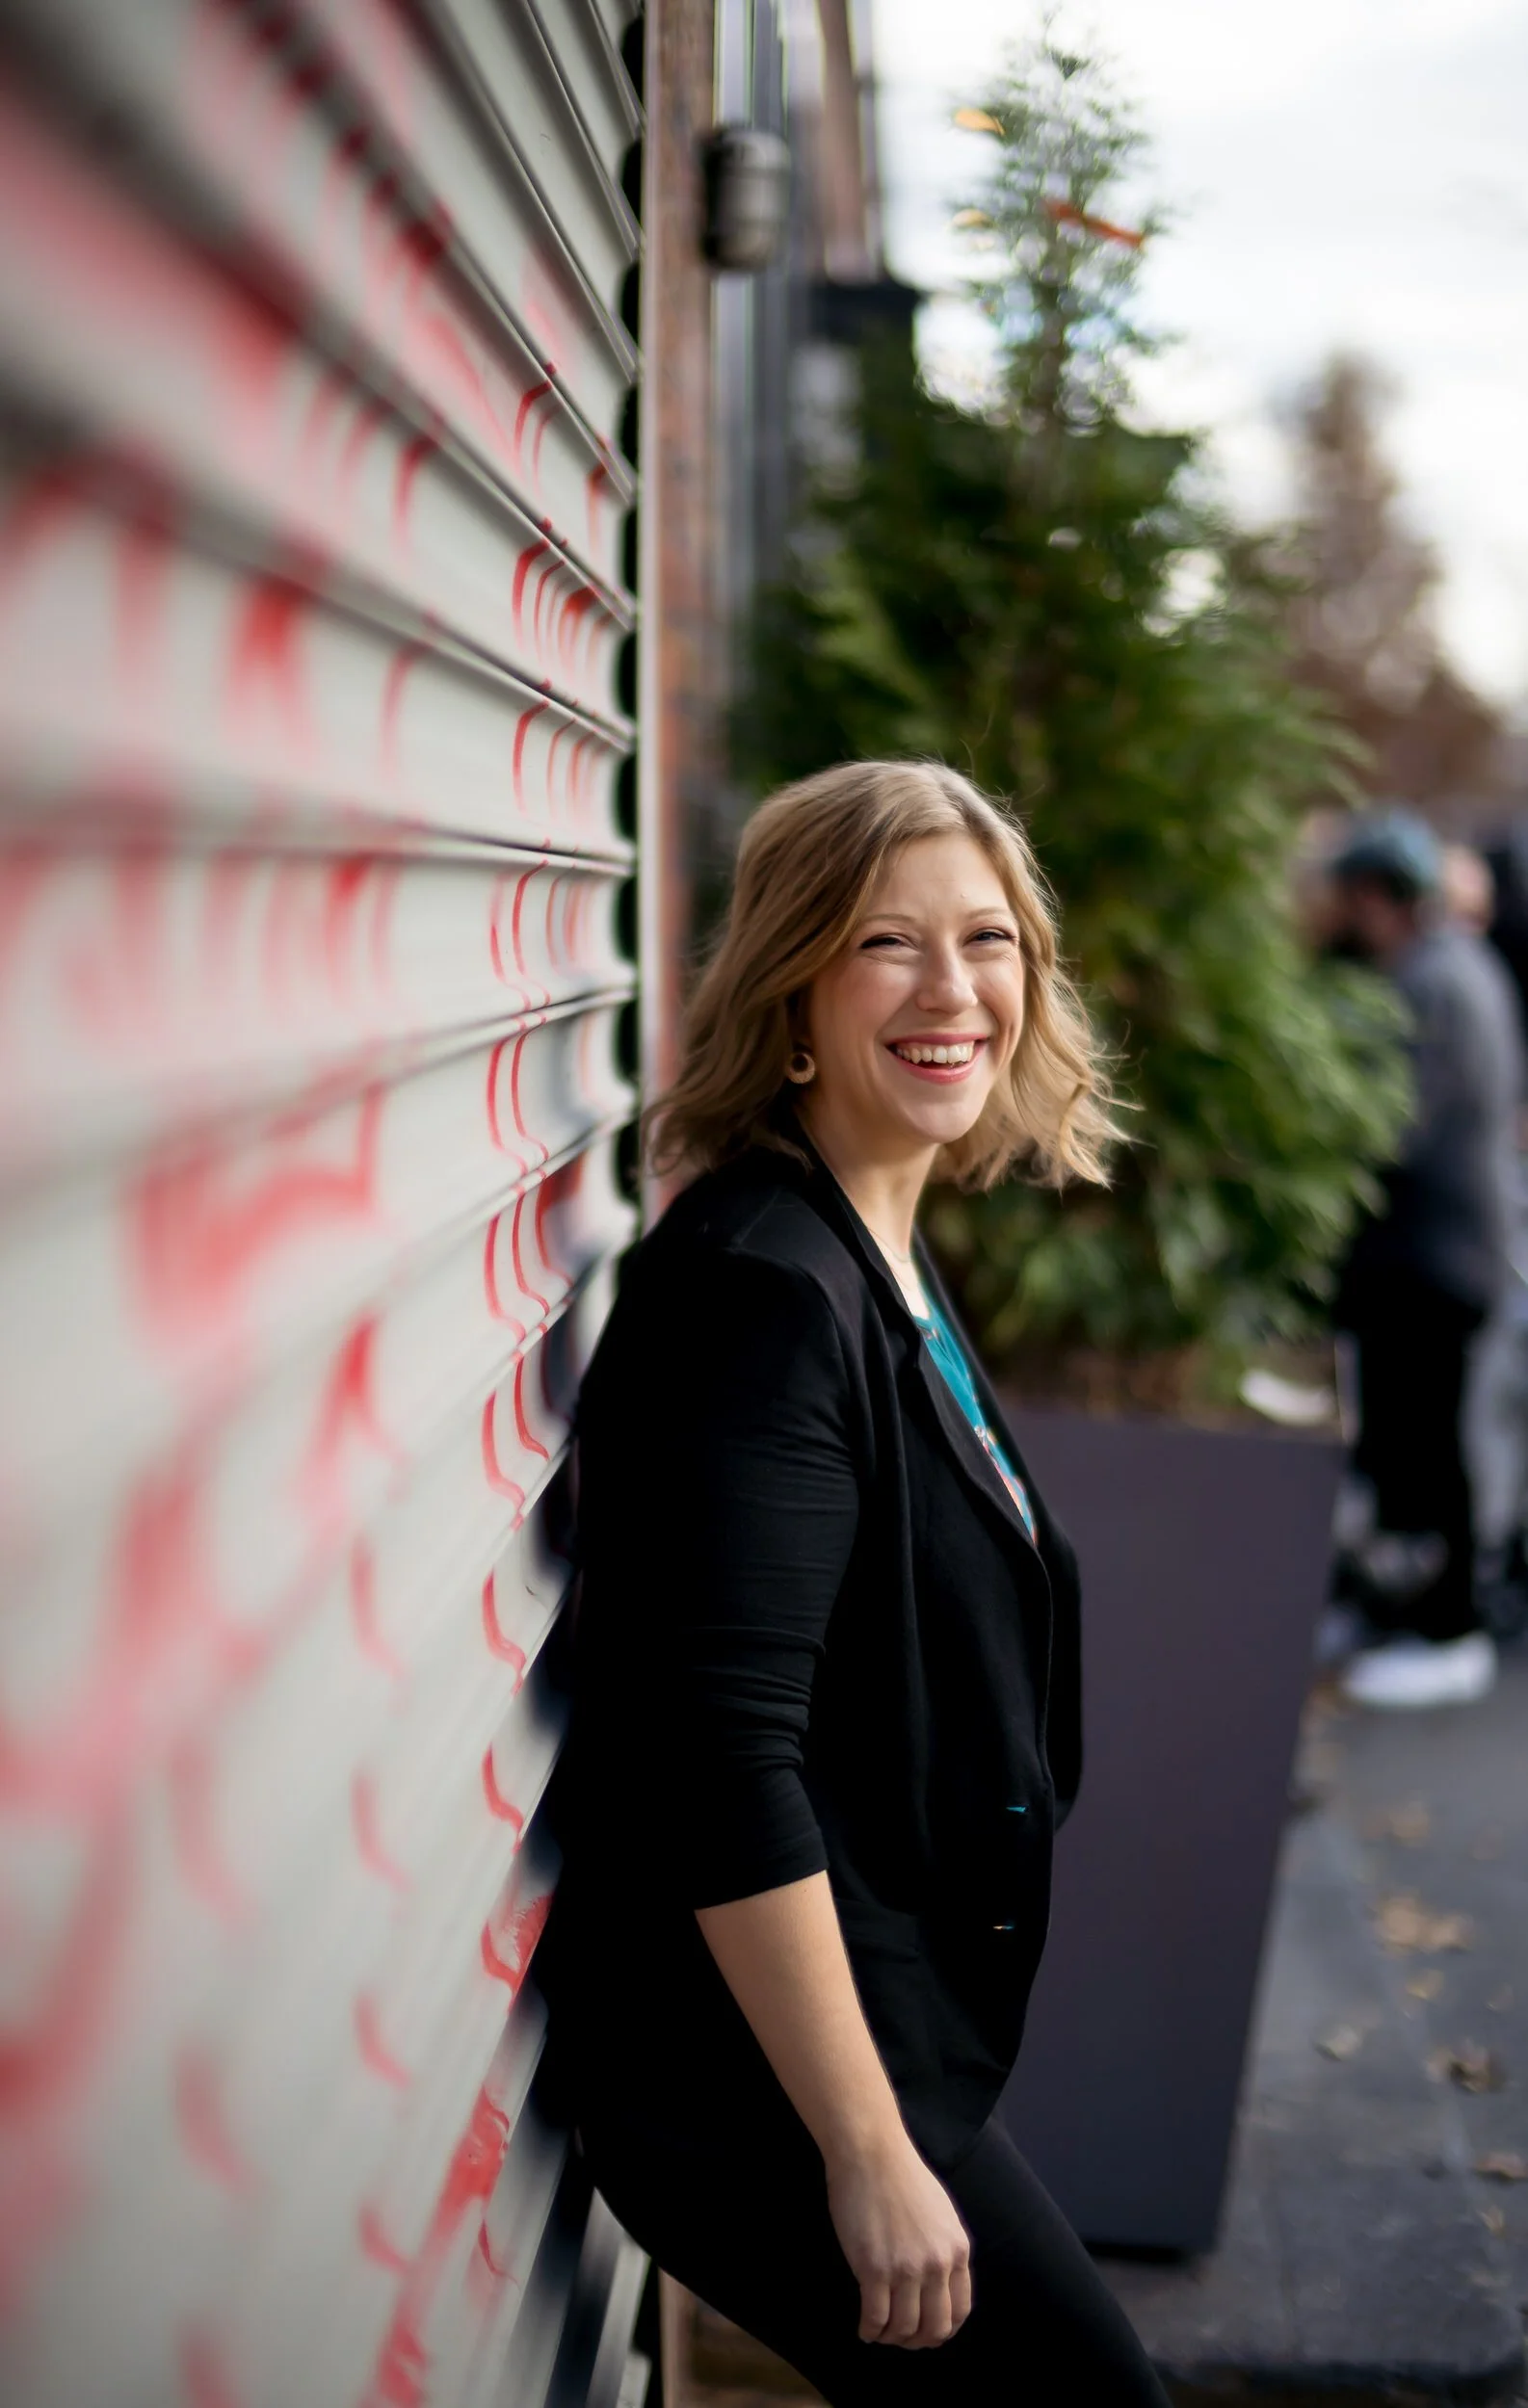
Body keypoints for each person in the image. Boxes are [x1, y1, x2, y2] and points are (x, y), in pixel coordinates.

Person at [540, 763, 1169, 2404]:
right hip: (760, 2086)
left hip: (876, 2029)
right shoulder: (761, 1300)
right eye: (889, 943)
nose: (952, 989)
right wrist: (869, 2153)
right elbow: (718, 1763)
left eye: (987, 938)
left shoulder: (871, 1235)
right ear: (796, 988)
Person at [1327, 811, 1524, 1710]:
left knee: (1431, 1449)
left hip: (1434, 1259)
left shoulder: (1434, 980)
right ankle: (1403, 1610)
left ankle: (1448, 1631)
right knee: (1408, 1444)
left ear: (1378, 897)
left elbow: (1392, 1124)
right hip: (1433, 1256)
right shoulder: (1449, 969)